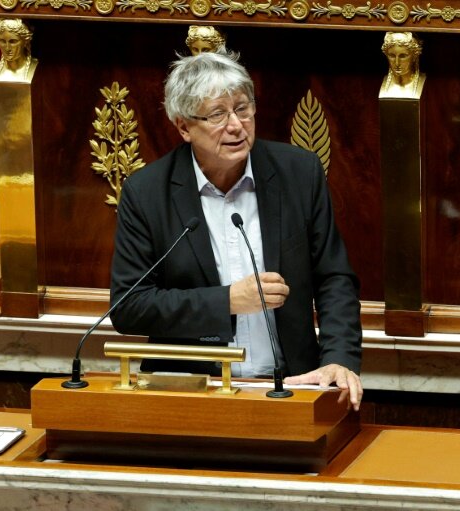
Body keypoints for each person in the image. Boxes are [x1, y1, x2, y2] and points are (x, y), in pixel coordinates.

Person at [109, 52, 363, 410]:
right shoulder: (147, 192)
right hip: (193, 391)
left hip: (292, 385)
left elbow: (334, 278)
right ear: (184, 127)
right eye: (217, 114)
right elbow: (129, 307)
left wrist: (338, 359)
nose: (236, 125)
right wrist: (227, 301)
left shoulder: (299, 174)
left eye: (243, 108)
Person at [380, 32, 425, 99]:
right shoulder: (376, 84)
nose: (397, 63)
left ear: (414, 56)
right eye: (392, 56)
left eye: (403, 56)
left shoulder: (427, 84)